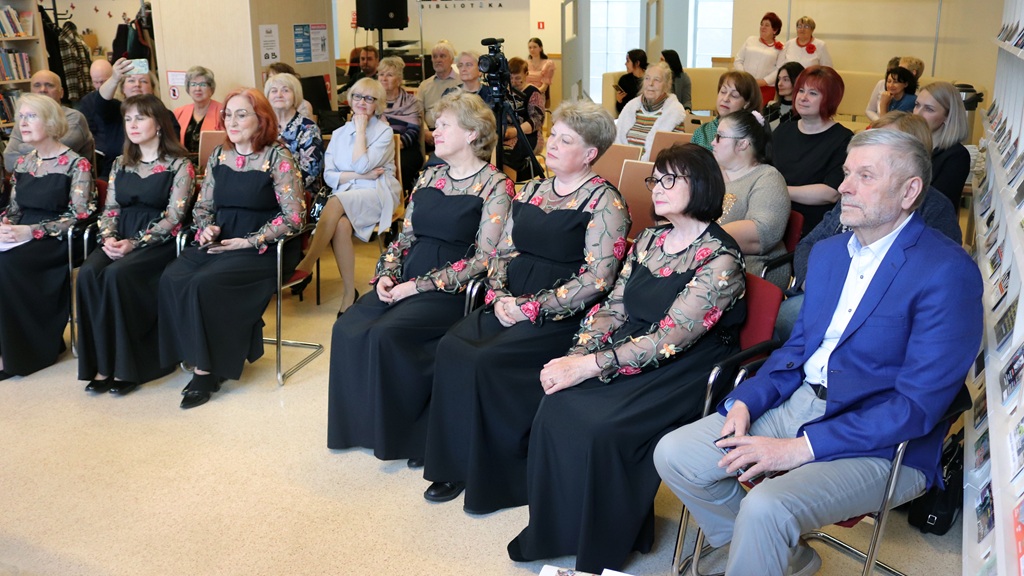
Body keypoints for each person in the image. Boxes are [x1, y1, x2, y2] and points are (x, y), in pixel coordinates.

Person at [653, 128, 983, 576]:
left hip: (884, 440)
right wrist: (746, 401)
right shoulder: (829, 254)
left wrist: (800, 449)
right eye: (847, 173)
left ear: (909, 192)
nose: (844, 186)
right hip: (801, 401)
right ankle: (783, 558)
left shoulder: (947, 271)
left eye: (865, 176)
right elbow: (798, 349)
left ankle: (764, 547)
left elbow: (916, 406)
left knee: (766, 508)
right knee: (675, 454)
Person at [507, 143, 746, 573]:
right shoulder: (651, 239)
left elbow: (670, 338)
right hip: (634, 341)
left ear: (702, 185)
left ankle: (605, 540)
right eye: (656, 178)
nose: (657, 187)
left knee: (602, 427)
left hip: (688, 364)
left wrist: (588, 366)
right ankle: (556, 530)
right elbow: (614, 306)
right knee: (556, 404)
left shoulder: (721, 258)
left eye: (671, 179)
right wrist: (578, 353)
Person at [422, 101, 630, 513]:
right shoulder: (534, 189)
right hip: (509, 300)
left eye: (565, 140)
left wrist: (531, 308)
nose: (551, 144)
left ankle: (497, 475)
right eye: (554, 135)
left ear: (590, 153)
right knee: (452, 345)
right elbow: (502, 251)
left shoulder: (606, 202)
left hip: (561, 313)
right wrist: (499, 295)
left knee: (487, 361)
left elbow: (598, 279)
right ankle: (454, 463)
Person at [327, 92, 511, 466]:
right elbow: (405, 237)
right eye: (435, 124)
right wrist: (386, 273)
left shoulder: (495, 185)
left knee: (387, 334)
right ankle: (362, 428)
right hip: (409, 275)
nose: (434, 131)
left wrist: (418, 286)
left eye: (444, 125)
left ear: (472, 133)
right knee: (347, 328)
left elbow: (483, 259)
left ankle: (409, 435)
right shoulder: (430, 175)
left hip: (451, 287)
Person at [158, 88, 305, 409]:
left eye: (241, 115)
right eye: (228, 115)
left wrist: (250, 241)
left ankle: (207, 371)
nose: (232, 122)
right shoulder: (219, 155)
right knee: (173, 277)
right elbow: (203, 206)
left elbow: (294, 218)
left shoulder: (278, 157)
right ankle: (193, 353)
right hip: (223, 237)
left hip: (263, 245)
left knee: (205, 283)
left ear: (261, 120)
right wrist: (206, 227)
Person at [777, 111, 962, 343]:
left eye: (866, 174)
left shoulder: (936, 211)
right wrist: (814, 284)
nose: (844, 187)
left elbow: (923, 282)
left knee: (787, 317)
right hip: (825, 294)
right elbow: (808, 245)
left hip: (878, 316)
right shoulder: (854, 200)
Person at [77, 95, 195, 395]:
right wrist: (108, 238)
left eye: (140, 118)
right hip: (119, 236)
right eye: (128, 119)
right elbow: (110, 209)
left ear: (159, 124)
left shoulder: (180, 165)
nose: (132, 125)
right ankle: (103, 364)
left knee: (117, 275)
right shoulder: (120, 163)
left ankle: (130, 367)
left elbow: (174, 217)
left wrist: (134, 243)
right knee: (88, 273)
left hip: (159, 241)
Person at [0, 94, 95, 380]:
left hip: (57, 239)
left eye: (31, 116)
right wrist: (5, 223)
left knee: (6, 265)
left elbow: (79, 216)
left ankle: (25, 352)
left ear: (51, 122)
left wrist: (32, 231)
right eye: (21, 117)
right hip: (22, 233)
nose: (23, 123)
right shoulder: (23, 163)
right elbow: (14, 210)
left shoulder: (76, 164)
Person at [289, 78, 400, 316]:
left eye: (369, 98)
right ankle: (350, 293)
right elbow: (329, 176)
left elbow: (361, 164)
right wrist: (359, 175)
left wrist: (360, 131)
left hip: (377, 192)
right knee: (340, 225)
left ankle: (307, 262)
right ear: (350, 99)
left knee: (336, 201)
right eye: (358, 96)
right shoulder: (339, 133)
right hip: (347, 193)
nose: (362, 102)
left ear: (378, 104)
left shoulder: (384, 132)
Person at [713, 110, 791, 288]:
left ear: (743, 144)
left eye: (719, 137)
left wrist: (699, 238)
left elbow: (761, 233)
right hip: (710, 262)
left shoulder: (768, 178)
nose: (712, 142)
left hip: (748, 269)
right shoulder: (711, 173)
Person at [772, 65, 852, 236]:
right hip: (774, 214)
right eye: (801, 91)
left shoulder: (843, 139)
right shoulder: (783, 131)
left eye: (813, 93)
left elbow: (831, 193)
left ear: (830, 99)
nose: (803, 98)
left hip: (815, 226)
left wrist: (777, 190)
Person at [79, 57, 179, 178]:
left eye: (144, 81)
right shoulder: (114, 110)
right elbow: (101, 101)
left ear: (152, 89)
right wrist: (114, 78)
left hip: (157, 172)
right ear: (122, 89)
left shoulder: (165, 114)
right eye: (131, 80)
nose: (137, 84)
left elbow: (171, 147)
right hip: (115, 174)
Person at [3, 71, 96, 173]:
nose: (42, 90)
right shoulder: (24, 119)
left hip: (69, 180)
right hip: (30, 180)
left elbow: (57, 154)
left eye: (49, 85)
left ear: (61, 92)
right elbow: (9, 161)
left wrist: (21, 148)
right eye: (37, 85)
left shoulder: (74, 117)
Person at [915, 81, 972, 209]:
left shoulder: (957, 156)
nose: (917, 114)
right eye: (917, 105)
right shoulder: (913, 146)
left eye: (929, 109)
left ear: (948, 116)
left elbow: (935, 206)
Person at [614, 62, 686, 161]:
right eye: (647, 78)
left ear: (667, 84)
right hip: (623, 165)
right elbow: (617, 141)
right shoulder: (631, 107)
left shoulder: (674, 113)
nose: (650, 84)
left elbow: (676, 155)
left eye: (656, 80)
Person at [265, 72, 323, 192]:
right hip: (263, 190)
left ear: (295, 96)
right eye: (274, 91)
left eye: (285, 90)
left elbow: (310, 172)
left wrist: (277, 189)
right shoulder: (261, 126)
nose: (279, 95)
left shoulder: (308, 128)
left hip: (297, 192)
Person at [377, 57, 424, 192]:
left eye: (389, 75)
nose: (384, 78)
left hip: (405, 147)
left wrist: (394, 146)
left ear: (399, 79)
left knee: (402, 166)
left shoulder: (411, 102)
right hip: (378, 147)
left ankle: (402, 198)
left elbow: (412, 132)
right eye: (381, 74)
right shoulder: (372, 102)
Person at [689, 71, 762, 151]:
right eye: (723, 92)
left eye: (734, 95)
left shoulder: (750, 136)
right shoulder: (702, 132)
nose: (725, 99)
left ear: (747, 104)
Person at [418, 41, 460, 149]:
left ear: (452, 60)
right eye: (435, 56)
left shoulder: (462, 82)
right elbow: (418, 113)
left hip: (455, 133)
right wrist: (425, 132)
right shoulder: (424, 85)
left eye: (442, 56)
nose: (438, 60)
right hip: (430, 134)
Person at [173, 66, 224, 154]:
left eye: (203, 84)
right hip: (183, 160)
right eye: (193, 84)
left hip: (213, 160)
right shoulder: (179, 112)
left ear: (211, 89)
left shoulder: (222, 111)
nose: (197, 89)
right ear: (188, 88)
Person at [734, 12, 785, 92]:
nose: (763, 27)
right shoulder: (750, 40)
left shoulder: (781, 47)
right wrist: (744, 77)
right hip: (744, 84)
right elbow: (738, 60)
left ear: (775, 30)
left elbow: (780, 69)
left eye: (767, 25)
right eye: (762, 24)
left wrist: (764, 81)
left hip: (766, 87)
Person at [866, 56, 924, 122]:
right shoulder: (893, 95)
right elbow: (869, 110)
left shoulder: (910, 100)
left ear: (905, 83)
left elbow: (888, 125)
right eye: (889, 81)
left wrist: (883, 104)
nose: (891, 85)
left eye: (896, 82)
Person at [762, 61, 804, 129]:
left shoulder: (803, 113)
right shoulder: (769, 107)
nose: (779, 84)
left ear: (798, 81)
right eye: (779, 79)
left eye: (786, 79)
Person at [615, 49, 648, 114]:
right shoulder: (624, 80)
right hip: (629, 115)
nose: (625, 64)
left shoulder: (649, 79)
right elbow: (620, 110)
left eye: (628, 61)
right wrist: (619, 101)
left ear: (637, 63)